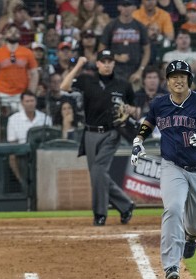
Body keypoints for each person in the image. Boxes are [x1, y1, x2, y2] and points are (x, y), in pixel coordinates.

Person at [129, 59, 196, 279]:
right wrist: (139, 139)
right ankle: (171, 265)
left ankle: (192, 236)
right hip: (172, 166)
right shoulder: (159, 104)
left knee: (194, 223)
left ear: (189, 81)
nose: (178, 80)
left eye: (182, 77)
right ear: (167, 81)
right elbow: (150, 122)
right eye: (173, 77)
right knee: (173, 209)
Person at [60, 50, 139, 226]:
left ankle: (100, 214)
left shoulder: (123, 85)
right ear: (97, 64)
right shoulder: (87, 80)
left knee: (98, 171)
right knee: (98, 175)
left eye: (110, 61)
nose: (107, 64)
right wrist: (79, 65)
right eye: (103, 61)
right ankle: (125, 205)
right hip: (89, 133)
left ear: (114, 63)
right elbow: (64, 86)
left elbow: (135, 109)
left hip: (112, 133)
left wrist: (130, 110)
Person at [99, 0, 151, 86]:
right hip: (114, 70)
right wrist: (116, 57)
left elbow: (147, 51)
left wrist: (140, 71)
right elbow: (101, 49)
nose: (126, 8)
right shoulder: (111, 26)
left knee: (135, 97)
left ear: (134, 8)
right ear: (119, 7)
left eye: (129, 5)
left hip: (135, 70)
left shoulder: (140, 27)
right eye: (123, 5)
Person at [7, 90, 52, 185]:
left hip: (41, 153)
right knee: (13, 157)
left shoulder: (45, 118)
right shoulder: (13, 119)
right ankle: (22, 183)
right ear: (22, 103)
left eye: (32, 101)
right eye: (27, 101)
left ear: (36, 102)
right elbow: (12, 143)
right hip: (22, 154)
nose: (30, 104)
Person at [0, 24, 38, 115]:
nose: (13, 34)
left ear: (20, 35)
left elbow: (34, 73)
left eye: (16, 32)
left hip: (21, 94)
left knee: (23, 121)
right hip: (2, 94)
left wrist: (30, 93)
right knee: (1, 122)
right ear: (5, 34)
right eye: (10, 32)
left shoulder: (27, 53)